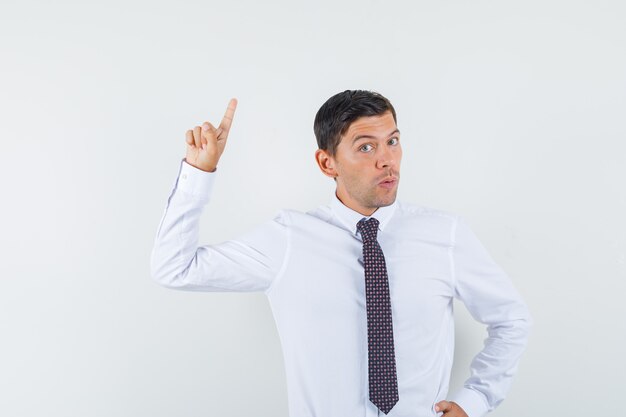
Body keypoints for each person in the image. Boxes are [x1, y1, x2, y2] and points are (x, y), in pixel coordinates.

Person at [150, 90, 533, 417]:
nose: (387, 160)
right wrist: (198, 174)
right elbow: (174, 268)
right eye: (366, 146)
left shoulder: (444, 234)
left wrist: (476, 398)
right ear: (326, 163)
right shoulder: (289, 239)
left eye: (393, 141)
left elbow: (511, 319)